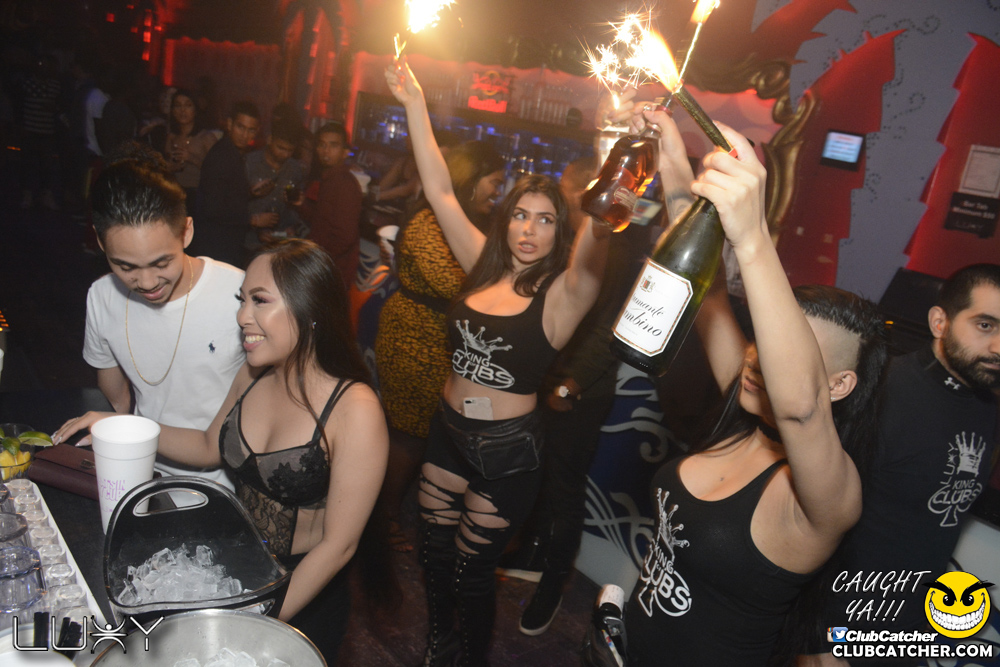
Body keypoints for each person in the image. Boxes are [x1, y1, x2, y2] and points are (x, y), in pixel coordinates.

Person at [621, 107, 889, 666]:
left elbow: (801, 410)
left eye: (790, 354)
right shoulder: (742, 405)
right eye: (764, 340)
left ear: (839, 384)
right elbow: (706, 286)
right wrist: (674, 153)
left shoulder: (832, 496)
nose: (759, 358)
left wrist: (754, 236)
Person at [55, 239, 390, 665]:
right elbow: (206, 446)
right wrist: (125, 427)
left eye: (259, 300)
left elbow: (338, 545)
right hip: (235, 573)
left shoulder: (355, 409)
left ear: (310, 309)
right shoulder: (253, 375)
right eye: (241, 300)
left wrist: (254, 626)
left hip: (303, 597)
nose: (242, 316)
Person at [386, 58, 611, 667]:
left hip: (507, 451)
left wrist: (610, 161)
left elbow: (596, 248)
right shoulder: (482, 263)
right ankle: (439, 645)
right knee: (433, 556)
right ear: (506, 218)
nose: (530, 229)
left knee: (471, 568)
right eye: (520, 214)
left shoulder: (560, 296)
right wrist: (414, 103)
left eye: (545, 219)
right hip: (447, 431)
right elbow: (439, 190)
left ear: (558, 230)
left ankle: (470, 658)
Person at [806, 264, 1000, 667]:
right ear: (939, 322)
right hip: (838, 633)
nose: (998, 346)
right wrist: (814, 642)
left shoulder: (987, 405)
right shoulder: (881, 392)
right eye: (985, 325)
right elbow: (812, 517)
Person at [500, 156, 654, 637]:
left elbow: (612, 330)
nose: (563, 199)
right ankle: (532, 555)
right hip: (546, 380)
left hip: (577, 390)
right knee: (537, 475)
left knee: (564, 489)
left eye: (570, 190)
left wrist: (570, 385)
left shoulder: (614, 247)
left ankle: (553, 585)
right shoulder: (567, 240)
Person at [55, 143, 244, 487]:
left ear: (186, 231)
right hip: (143, 472)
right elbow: (117, 400)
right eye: (125, 266)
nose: (146, 283)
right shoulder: (102, 296)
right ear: (100, 242)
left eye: (161, 263)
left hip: (228, 484)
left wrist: (125, 427)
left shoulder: (239, 295)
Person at [374, 140, 506, 552]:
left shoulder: (469, 222)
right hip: (413, 337)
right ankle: (381, 519)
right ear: (472, 179)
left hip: (441, 342)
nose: (497, 193)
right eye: (494, 182)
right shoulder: (429, 221)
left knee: (427, 436)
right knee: (407, 436)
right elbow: (457, 283)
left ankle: (401, 513)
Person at [194, 101, 274, 267]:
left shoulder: (232, 152)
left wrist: (250, 193)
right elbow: (212, 208)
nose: (244, 135)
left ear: (257, 131)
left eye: (250, 130)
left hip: (223, 243)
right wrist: (253, 220)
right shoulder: (222, 155)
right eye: (240, 127)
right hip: (216, 245)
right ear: (229, 124)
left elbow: (225, 195)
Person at [295, 122, 364, 289]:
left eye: (333, 145)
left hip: (332, 270)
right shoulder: (329, 179)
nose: (326, 151)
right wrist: (302, 204)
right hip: (322, 266)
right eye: (322, 145)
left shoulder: (344, 184)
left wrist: (316, 257)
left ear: (345, 152)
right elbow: (322, 222)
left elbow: (345, 237)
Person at [244, 117, 307, 250]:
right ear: (270, 139)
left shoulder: (295, 169)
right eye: (280, 148)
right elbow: (231, 205)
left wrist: (292, 227)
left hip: (281, 245)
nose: (285, 154)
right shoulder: (249, 163)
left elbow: (296, 210)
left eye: (290, 150)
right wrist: (254, 221)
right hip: (249, 243)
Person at [152, 88, 219, 212]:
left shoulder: (206, 137)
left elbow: (217, 171)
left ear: (195, 109)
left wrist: (191, 158)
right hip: (175, 194)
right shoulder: (171, 137)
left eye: (188, 105)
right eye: (178, 106)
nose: (182, 111)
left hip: (199, 196)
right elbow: (165, 168)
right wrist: (171, 167)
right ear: (172, 110)